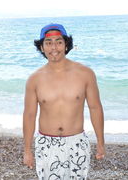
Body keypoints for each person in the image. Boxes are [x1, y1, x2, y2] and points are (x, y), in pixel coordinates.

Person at [23, 23, 105, 180]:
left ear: (66, 44)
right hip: (46, 144)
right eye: (48, 43)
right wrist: (27, 150)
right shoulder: (34, 79)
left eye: (59, 42)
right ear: (42, 47)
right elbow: (29, 115)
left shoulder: (85, 74)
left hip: (77, 142)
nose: (54, 47)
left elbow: (95, 108)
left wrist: (100, 142)